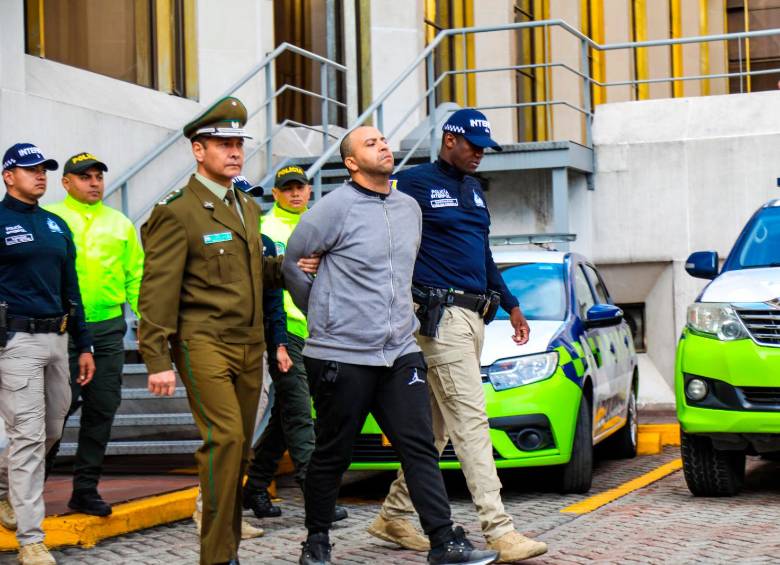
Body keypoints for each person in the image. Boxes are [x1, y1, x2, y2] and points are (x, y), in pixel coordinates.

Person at [283, 125, 498, 565]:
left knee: (419, 446)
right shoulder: (331, 209)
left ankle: (443, 540)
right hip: (341, 354)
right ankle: (317, 541)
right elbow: (293, 263)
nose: (382, 146)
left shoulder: (407, 207)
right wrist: (324, 314)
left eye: (383, 140)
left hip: (400, 350)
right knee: (333, 452)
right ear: (351, 162)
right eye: (370, 143)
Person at [137, 97, 318, 565]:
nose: (234, 151)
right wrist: (156, 358)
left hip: (249, 342)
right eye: (223, 143)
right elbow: (157, 290)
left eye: (238, 143)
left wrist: (292, 267)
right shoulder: (177, 211)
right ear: (199, 151)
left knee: (237, 453)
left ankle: (227, 548)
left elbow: (257, 273)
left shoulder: (246, 206)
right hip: (203, 342)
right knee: (226, 441)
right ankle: (218, 557)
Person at [367, 109, 548, 563]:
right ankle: (499, 529)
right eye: (473, 145)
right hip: (438, 316)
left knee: (435, 431)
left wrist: (511, 303)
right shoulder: (414, 183)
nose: (480, 154)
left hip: (475, 318)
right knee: (471, 420)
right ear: (449, 140)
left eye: (485, 147)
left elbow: (482, 254)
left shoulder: (473, 189)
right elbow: (373, 225)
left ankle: (392, 515)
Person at [0, 143, 95, 565]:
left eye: (43, 170)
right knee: (29, 437)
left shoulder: (56, 225)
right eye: (30, 170)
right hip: (15, 342)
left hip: (58, 340)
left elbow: (70, 287)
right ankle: (30, 540)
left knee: (52, 430)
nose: (39, 175)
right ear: (8, 176)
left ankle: (4, 490)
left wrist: (84, 344)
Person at [242, 165, 346, 523]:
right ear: (275, 194)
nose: (295, 194)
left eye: (300, 187)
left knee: (286, 416)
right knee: (301, 415)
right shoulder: (266, 230)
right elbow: (268, 289)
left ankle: (255, 486)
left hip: (319, 329)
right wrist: (278, 339)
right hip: (286, 334)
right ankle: (317, 497)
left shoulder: (318, 225)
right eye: (287, 189)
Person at [43, 152, 144, 517]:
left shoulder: (120, 224)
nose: (94, 182)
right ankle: (31, 487)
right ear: (66, 182)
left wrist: (145, 319)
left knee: (102, 408)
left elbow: (135, 275)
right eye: (85, 177)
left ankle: (85, 489)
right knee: (55, 411)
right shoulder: (51, 219)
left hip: (106, 328)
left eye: (98, 176)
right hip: (62, 329)